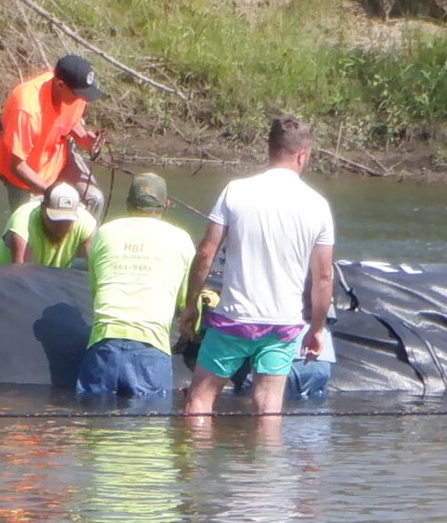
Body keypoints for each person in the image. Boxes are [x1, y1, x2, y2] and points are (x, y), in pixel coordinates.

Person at [180, 115, 334, 421]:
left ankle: (196, 465)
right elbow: (323, 277)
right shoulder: (317, 205)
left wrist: (191, 305)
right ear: (302, 154)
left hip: (234, 319)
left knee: (199, 399)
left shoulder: (236, 191)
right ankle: (266, 469)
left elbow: (207, 251)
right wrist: (315, 329)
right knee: (268, 408)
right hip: (283, 324)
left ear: (270, 148)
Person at [77, 173, 195, 409]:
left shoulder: (104, 233)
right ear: (166, 204)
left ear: (128, 203)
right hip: (151, 351)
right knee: (148, 437)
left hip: (103, 347)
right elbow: (188, 306)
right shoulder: (181, 240)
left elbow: (96, 289)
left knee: (95, 433)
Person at [0, 53, 102, 234]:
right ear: (60, 85)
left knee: (94, 198)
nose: (81, 99)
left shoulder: (76, 95)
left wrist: (84, 138)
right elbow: (17, 166)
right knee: (31, 229)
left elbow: (67, 119)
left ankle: (81, 255)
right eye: (78, 94)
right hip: (23, 175)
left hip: (56, 158)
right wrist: (52, 192)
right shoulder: (27, 108)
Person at [0, 179, 95, 269]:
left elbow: (99, 265)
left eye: (67, 220)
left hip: (57, 273)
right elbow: (24, 278)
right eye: (56, 219)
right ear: (43, 210)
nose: (61, 226)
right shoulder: (22, 223)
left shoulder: (85, 221)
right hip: (12, 279)